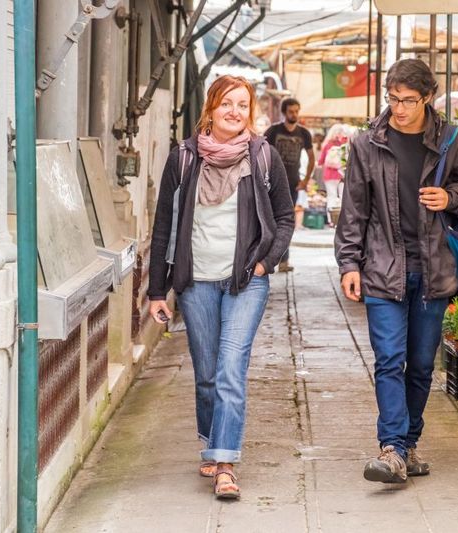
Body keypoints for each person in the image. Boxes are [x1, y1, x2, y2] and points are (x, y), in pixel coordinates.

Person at [334, 59, 458, 484]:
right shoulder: (368, 143)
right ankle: (392, 449)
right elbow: (354, 211)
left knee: (420, 365)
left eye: (408, 101)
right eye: (393, 99)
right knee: (389, 360)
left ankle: (409, 444)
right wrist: (349, 263)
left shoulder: (452, 139)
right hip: (382, 267)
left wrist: (450, 196)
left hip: (434, 268)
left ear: (428, 98)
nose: (399, 109)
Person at [148, 75, 294, 499]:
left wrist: (267, 262)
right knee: (207, 374)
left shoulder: (263, 156)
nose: (235, 112)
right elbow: (163, 228)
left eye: (242, 105)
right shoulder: (184, 159)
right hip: (195, 283)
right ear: (210, 108)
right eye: (226, 104)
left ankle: (226, 461)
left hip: (245, 281)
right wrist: (158, 291)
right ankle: (211, 439)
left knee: (231, 369)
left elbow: (285, 217)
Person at [264, 97, 314, 271]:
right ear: (284, 112)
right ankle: (266, 259)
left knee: (285, 222)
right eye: (291, 111)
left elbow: (311, 158)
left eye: (296, 111)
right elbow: (261, 153)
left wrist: (305, 180)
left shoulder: (304, 133)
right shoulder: (273, 131)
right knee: (267, 220)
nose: (294, 114)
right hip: (270, 183)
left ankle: (284, 261)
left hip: (292, 184)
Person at [318, 123, 350, 212]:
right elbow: (346, 161)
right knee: (342, 196)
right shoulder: (344, 144)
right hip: (341, 175)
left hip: (328, 175)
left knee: (331, 196)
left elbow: (320, 161)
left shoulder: (327, 144)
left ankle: (331, 220)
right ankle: (340, 219)